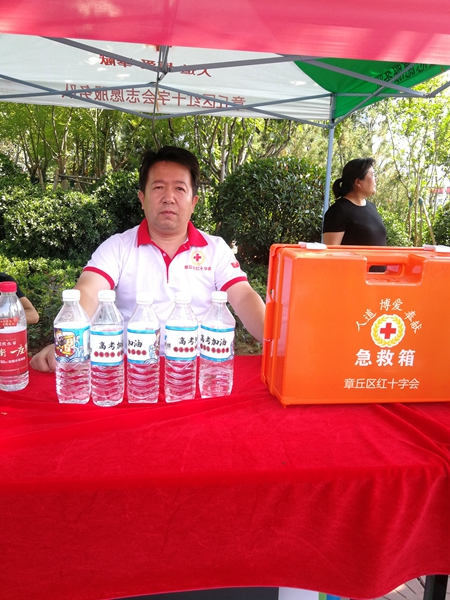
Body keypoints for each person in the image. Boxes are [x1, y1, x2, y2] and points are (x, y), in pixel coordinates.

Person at [31, 146, 265, 372]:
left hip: (196, 373)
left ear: (194, 202)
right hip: (133, 373)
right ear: (142, 199)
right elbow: (88, 291)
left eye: (180, 189)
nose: (169, 198)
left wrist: (275, 337)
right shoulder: (118, 246)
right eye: (159, 187)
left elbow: (243, 296)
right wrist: (69, 337)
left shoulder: (215, 249)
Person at [322, 157, 386, 246]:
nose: (376, 180)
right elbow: (332, 251)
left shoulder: (372, 207)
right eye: (372, 175)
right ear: (358, 182)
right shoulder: (338, 211)